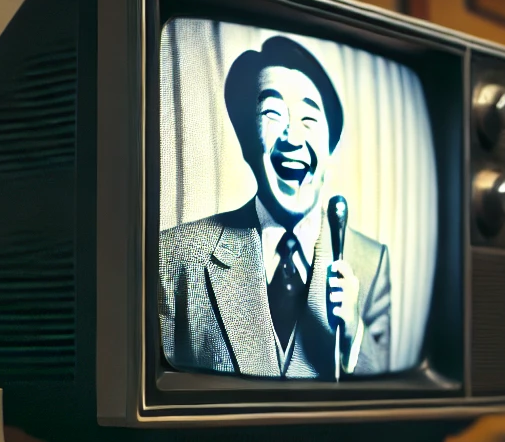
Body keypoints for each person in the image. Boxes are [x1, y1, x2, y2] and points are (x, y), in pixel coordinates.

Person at [160, 35, 391, 378]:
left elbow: (386, 398)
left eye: (309, 120)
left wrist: (353, 333)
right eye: (272, 112)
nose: (293, 137)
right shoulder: (175, 256)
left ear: (330, 149)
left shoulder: (372, 263)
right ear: (245, 140)